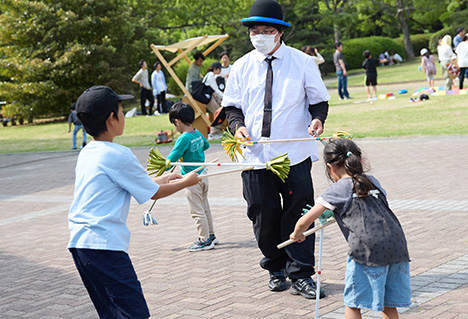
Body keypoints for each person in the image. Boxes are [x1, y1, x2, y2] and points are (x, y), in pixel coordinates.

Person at [222, 0, 330, 299]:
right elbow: (232, 107)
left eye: (266, 30)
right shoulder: (241, 67)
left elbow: (318, 101)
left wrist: (318, 120)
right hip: (255, 156)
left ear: (280, 33)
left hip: (293, 153)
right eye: (254, 31)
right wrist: (238, 127)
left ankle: (302, 274)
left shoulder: (302, 62)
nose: (259, 36)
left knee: (300, 212)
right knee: (262, 214)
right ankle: (275, 267)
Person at [68, 85, 201, 319]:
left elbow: (131, 181)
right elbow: (154, 193)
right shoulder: (118, 154)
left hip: (82, 245)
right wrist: (187, 181)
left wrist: (167, 176)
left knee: (112, 313)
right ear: (112, 119)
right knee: (134, 313)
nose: (122, 116)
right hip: (104, 246)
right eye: (121, 111)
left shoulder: (90, 151)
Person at [290, 138, 411, 319]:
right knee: (388, 302)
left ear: (330, 168)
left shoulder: (337, 189)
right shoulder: (373, 181)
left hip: (366, 251)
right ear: (359, 161)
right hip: (397, 246)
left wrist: (297, 234)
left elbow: (303, 222)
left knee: (353, 303)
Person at [167, 102, 218, 251]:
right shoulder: (197, 132)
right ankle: (211, 235)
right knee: (205, 207)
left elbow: (172, 159)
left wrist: (166, 164)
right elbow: (206, 146)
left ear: (177, 121)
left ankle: (204, 239)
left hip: (190, 179)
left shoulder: (183, 139)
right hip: (203, 174)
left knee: (196, 210)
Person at [202, 61, 224, 140]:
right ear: (216, 69)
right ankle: (213, 133)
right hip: (207, 98)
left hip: (209, 97)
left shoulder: (210, 75)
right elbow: (215, 89)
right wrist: (224, 96)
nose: (220, 71)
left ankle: (215, 132)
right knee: (219, 112)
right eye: (219, 69)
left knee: (218, 111)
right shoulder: (211, 75)